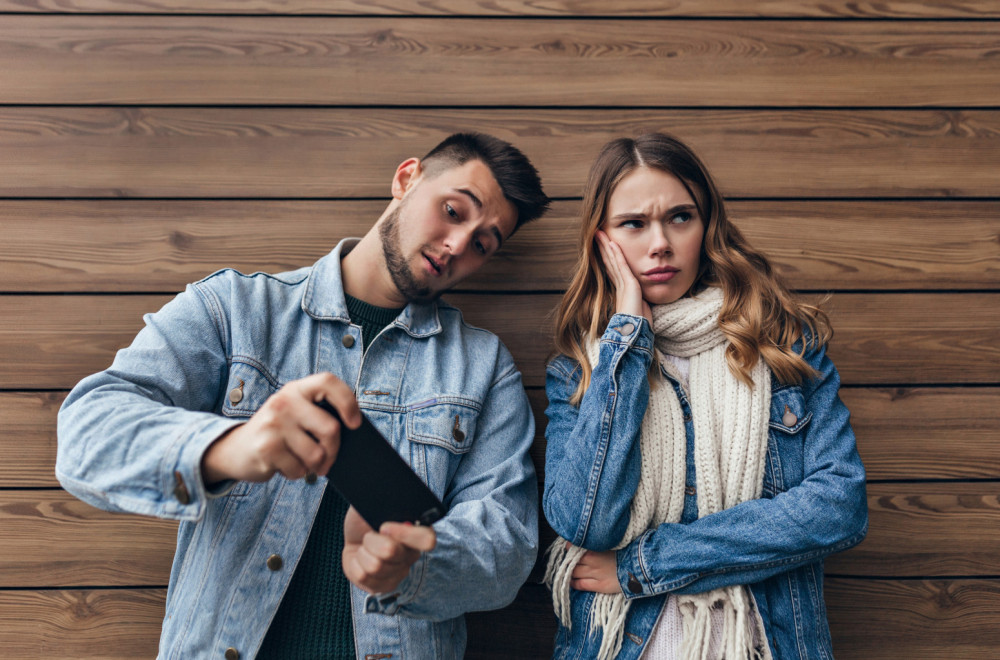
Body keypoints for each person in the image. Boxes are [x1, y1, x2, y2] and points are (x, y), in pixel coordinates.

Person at [56, 132, 549, 660]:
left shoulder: (484, 367)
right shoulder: (234, 308)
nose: (457, 245)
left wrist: (415, 565)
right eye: (452, 211)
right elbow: (87, 434)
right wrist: (229, 448)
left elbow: (507, 549)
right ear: (407, 179)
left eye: (482, 245)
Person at [541, 133, 867, 660]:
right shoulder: (579, 372)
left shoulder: (784, 350)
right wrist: (627, 342)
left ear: (707, 225)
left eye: (680, 217)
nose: (660, 244)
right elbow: (588, 522)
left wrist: (644, 565)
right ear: (602, 241)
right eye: (633, 224)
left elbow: (838, 506)